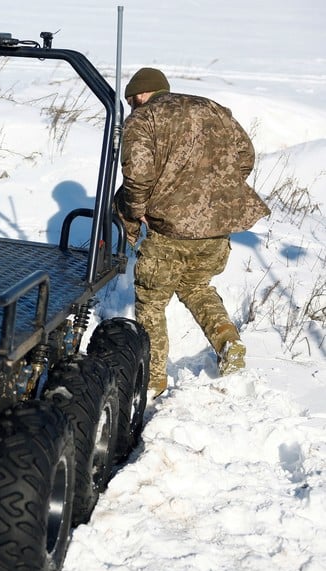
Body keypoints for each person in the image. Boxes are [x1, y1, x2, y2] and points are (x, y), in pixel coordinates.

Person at [116, 67, 270, 397]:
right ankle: (227, 340)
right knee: (196, 285)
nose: (132, 107)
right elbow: (245, 155)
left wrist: (134, 216)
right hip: (216, 228)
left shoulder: (144, 119)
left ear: (141, 94)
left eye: (132, 101)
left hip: (169, 230)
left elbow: (137, 177)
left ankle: (152, 378)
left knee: (152, 301)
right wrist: (215, 190)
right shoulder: (212, 108)